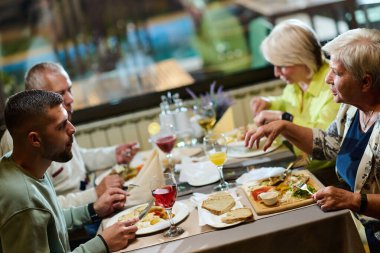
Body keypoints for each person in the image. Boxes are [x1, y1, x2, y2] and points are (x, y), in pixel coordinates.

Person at [245, 28, 380, 252]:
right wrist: (285, 126)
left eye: (336, 73)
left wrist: (354, 200)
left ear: (365, 82)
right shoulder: (350, 108)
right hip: (360, 224)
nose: (328, 79)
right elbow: (329, 144)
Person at [0, 89, 138, 252]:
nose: (73, 129)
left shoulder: (28, 163)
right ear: (35, 139)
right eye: (61, 126)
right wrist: (103, 243)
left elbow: (50, 221)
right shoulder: (23, 200)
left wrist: (93, 209)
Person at [0, 62, 140, 208]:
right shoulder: (20, 139)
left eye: (70, 90)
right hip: (83, 213)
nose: (70, 99)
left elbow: (78, 158)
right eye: (60, 94)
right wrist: (95, 193)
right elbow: (44, 207)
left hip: (89, 198)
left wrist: (114, 154)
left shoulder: (59, 120)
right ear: (38, 97)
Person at [249, 19, 340, 175]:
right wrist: (269, 103)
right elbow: (286, 102)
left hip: (327, 172)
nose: (277, 73)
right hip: (303, 165)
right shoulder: (299, 80)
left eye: (282, 66)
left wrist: (283, 118)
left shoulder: (334, 86)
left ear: (302, 60)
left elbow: (326, 142)